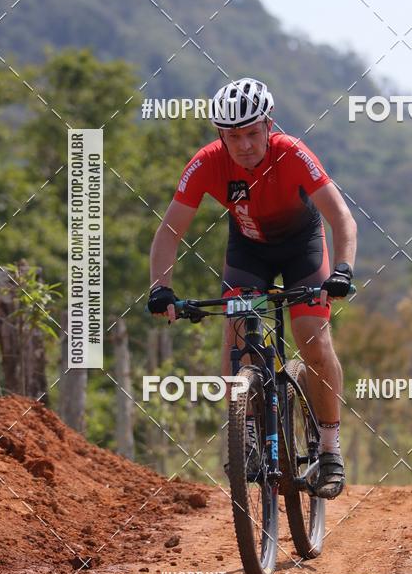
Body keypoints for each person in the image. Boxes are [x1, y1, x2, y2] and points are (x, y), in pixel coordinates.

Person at [147, 77, 357, 499]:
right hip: (249, 249)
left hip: (302, 248)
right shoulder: (205, 164)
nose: (243, 145)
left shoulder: (293, 153)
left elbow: (341, 218)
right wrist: (160, 288)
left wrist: (343, 270)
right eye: (232, 136)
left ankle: (330, 449)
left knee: (312, 339)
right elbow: (169, 231)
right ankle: (243, 432)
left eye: (251, 133)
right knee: (238, 331)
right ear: (219, 135)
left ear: (268, 126)